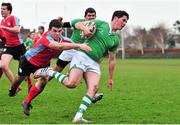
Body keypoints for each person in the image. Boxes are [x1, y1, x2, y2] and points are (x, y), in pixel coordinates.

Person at [34, 10, 129, 122]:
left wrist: (111, 78)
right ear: (116, 18)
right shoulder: (101, 24)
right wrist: (84, 29)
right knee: (71, 84)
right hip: (82, 56)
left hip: (94, 63)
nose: (124, 23)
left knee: (93, 89)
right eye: (123, 20)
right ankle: (50, 72)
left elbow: (112, 60)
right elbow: (76, 23)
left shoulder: (115, 40)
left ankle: (78, 116)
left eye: (126, 22)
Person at [8, 19, 91, 113]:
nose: (57, 33)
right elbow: (58, 46)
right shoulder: (45, 38)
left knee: (43, 81)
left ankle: (26, 102)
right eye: (54, 31)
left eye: (59, 31)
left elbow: (74, 49)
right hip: (28, 61)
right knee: (18, 80)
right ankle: (13, 89)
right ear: (49, 30)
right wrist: (79, 45)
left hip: (43, 64)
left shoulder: (65, 40)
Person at [0, 2, 27, 92]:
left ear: (9, 10)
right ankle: (15, 87)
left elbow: (17, 30)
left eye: (4, 9)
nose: (1, 10)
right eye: (1, 8)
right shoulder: (2, 21)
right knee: (3, 65)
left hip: (19, 46)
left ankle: (32, 85)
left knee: (26, 70)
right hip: (9, 46)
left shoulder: (13, 18)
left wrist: (4, 27)